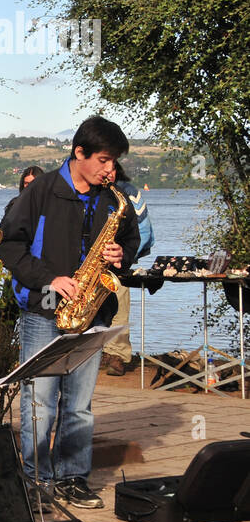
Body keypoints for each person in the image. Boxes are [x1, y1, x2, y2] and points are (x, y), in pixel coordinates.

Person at [0, 115, 140, 509]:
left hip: (91, 312)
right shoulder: (41, 190)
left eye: (114, 162)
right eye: (104, 161)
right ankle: (36, 481)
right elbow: (10, 246)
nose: (111, 170)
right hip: (43, 310)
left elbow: (132, 240)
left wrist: (121, 255)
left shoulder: (114, 197)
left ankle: (74, 477)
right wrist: (50, 279)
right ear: (79, 153)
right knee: (39, 400)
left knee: (79, 404)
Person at [102, 161, 154, 376]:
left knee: (119, 310)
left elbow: (144, 231)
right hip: (89, 263)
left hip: (117, 264)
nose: (108, 173)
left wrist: (124, 255)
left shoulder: (129, 192)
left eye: (112, 168)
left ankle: (118, 355)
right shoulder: (89, 192)